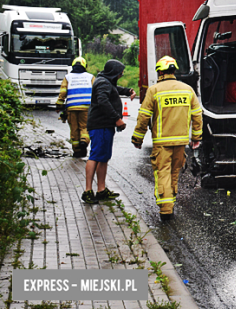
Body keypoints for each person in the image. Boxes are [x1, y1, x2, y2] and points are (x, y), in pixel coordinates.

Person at [131, 56, 202, 221]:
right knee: (174, 174)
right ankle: (170, 204)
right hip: (181, 142)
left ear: (160, 71)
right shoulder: (187, 89)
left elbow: (144, 117)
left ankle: (166, 210)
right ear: (174, 71)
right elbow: (197, 115)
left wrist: (138, 138)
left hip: (162, 143)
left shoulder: (154, 90)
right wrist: (196, 137)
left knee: (163, 173)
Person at [82, 59, 136, 204]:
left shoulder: (105, 81)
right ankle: (87, 191)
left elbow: (114, 90)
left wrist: (128, 90)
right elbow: (103, 101)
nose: (121, 75)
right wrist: (117, 119)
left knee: (103, 158)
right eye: (120, 73)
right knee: (95, 156)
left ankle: (101, 190)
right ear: (114, 72)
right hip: (100, 125)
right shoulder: (103, 83)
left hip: (105, 126)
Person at [56, 57, 95, 157]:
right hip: (86, 107)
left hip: (71, 108)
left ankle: (77, 151)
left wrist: (59, 105)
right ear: (85, 66)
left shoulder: (68, 77)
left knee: (74, 129)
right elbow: (96, 91)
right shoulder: (90, 77)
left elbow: (63, 92)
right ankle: (84, 141)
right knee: (85, 126)